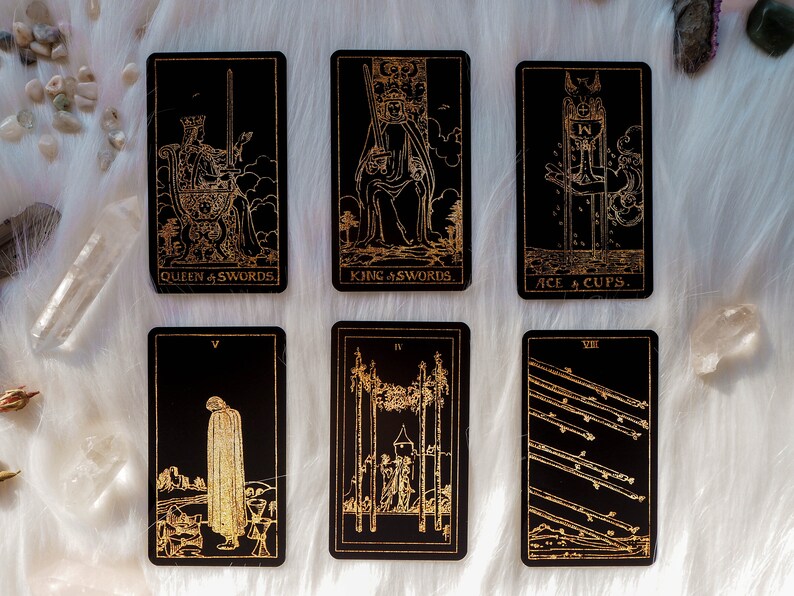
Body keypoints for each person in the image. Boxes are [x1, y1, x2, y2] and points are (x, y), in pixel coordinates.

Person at [354, 93, 436, 248]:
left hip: (405, 178)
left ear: (402, 106)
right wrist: (375, 162)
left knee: (416, 191)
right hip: (382, 179)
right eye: (390, 105)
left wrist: (417, 170)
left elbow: (417, 155)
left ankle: (415, 238)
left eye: (396, 105)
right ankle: (384, 238)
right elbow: (367, 160)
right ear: (386, 107)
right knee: (376, 192)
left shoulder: (410, 126)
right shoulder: (377, 126)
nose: (393, 109)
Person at [206, 396, 247, 550]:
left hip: (222, 468)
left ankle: (230, 539)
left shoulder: (217, 417)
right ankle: (233, 536)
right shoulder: (234, 414)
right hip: (231, 467)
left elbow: (216, 445)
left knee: (224, 499)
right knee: (231, 497)